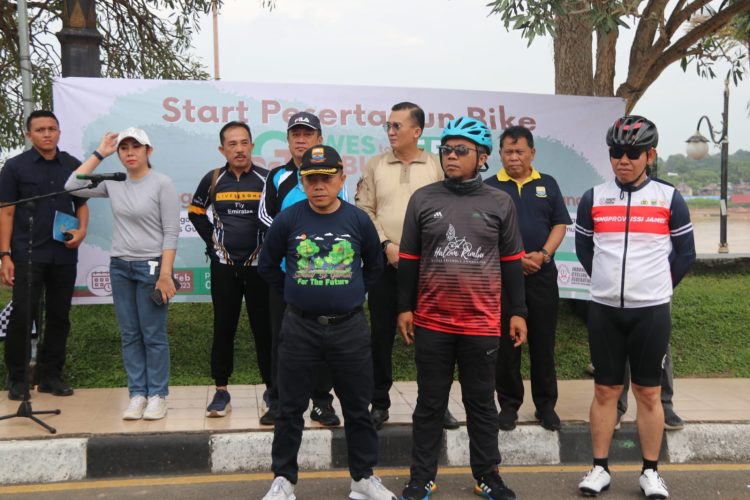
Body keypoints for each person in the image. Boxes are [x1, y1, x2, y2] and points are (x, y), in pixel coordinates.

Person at [397, 117, 528, 500]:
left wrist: (517, 311)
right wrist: (404, 307)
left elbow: (511, 263)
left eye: (461, 150)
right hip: (433, 321)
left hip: (482, 323)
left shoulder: (500, 202)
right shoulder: (424, 199)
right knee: (429, 404)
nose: (451, 156)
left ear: (482, 157)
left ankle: (488, 475)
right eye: (446, 150)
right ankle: (422, 476)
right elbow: (408, 258)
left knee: (481, 405)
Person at [258, 145, 395, 500]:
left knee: (357, 407)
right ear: (303, 182)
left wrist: (350, 294)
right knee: (289, 409)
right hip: (300, 327)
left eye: (326, 178)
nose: (319, 185)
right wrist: (296, 292)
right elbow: (268, 266)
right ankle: (284, 480)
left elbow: (374, 267)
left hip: (348, 328)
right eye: (311, 179)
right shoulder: (288, 220)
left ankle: (363, 479)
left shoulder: (357, 220)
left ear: (341, 179)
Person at [575, 115, 695, 498]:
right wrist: (608, 283)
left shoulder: (668, 198)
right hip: (605, 311)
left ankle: (650, 471)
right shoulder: (594, 197)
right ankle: (599, 468)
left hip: (651, 312)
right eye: (615, 153)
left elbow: (685, 254)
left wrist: (656, 288)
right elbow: (584, 249)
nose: (622, 161)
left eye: (631, 153)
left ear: (650, 155)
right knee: (605, 392)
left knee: (648, 393)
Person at [65, 127, 180, 421]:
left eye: (136, 147)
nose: (129, 152)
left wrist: (165, 274)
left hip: (151, 267)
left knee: (152, 335)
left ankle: (157, 395)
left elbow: (171, 232)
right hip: (120, 267)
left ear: (148, 151)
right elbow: (71, 187)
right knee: (130, 335)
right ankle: (137, 394)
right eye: (124, 148)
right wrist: (100, 153)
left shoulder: (162, 183)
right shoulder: (114, 182)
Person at [355, 101, 457, 431]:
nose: (390, 131)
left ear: (417, 131)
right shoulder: (375, 165)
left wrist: (419, 252)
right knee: (380, 336)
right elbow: (364, 210)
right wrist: (386, 245)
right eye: (388, 126)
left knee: (433, 340)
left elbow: (448, 211)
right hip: (386, 264)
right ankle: (379, 402)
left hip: (429, 268)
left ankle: (435, 405)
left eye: (397, 126)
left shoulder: (436, 166)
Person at [257, 112, 345, 426]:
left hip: (323, 275)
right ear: (288, 140)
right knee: (282, 339)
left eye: (307, 134)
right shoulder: (277, 176)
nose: (301, 140)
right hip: (285, 275)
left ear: (319, 139)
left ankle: (322, 402)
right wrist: (293, 238)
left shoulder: (335, 176)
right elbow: (265, 219)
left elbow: (341, 217)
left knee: (326, 340)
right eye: (295, 134)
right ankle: (278, 401)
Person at [485, 125, 571, 432]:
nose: (514, 157)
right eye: (508, 152)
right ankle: (508, 405)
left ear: (532, 153)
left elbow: (560, 224)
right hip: (505, 278)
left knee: (543, 343)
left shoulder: (547, 184)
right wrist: (513, 260)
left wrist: (543, 255)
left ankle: (546, 406)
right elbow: (485, 233)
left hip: (542, 275)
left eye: (520, 151)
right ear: (500, 154)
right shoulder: (490, 187)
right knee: (507, 345)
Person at [0, 110, 88, 400]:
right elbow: (7, 211)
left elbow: (82, 205)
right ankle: (18, 378)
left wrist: (82, 231)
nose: (47, 134)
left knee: (59, 316)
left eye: (52, 128)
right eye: (40, 129)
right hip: (27, 253)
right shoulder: (15, 167)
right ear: (29, 135)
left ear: (59, 132)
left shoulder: (73, 166)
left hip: (63, 253)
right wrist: (5, 255)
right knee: (24, 315)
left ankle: (51, 376)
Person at [188, 121, 272, 418]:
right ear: (222, 149)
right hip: (224, 268)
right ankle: (221, 391)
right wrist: (213, 242)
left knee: (266, 331)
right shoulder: (212, 179)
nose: (239, 149)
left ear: (252, 146)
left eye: (244, 143)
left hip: (260, 268)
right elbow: (196, 212)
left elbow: (279, 218)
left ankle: (272, 391)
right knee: (224, 328)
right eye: (232, 144)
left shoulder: (267, 178)